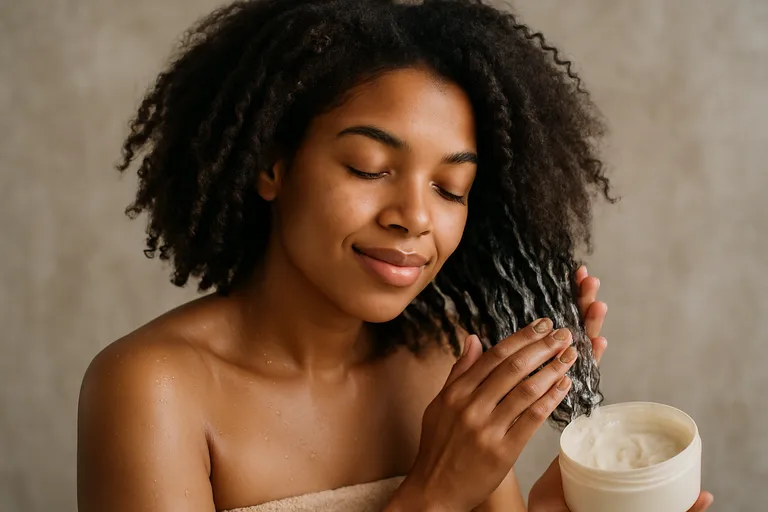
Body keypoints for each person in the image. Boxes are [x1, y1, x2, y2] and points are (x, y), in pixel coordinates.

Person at [77, 0, 713, 510]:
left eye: (450, 188)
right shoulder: (153, 388)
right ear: (272, 165)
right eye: (369, 167)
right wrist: (434, 498)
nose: (414, 216)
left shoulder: (446, 365)